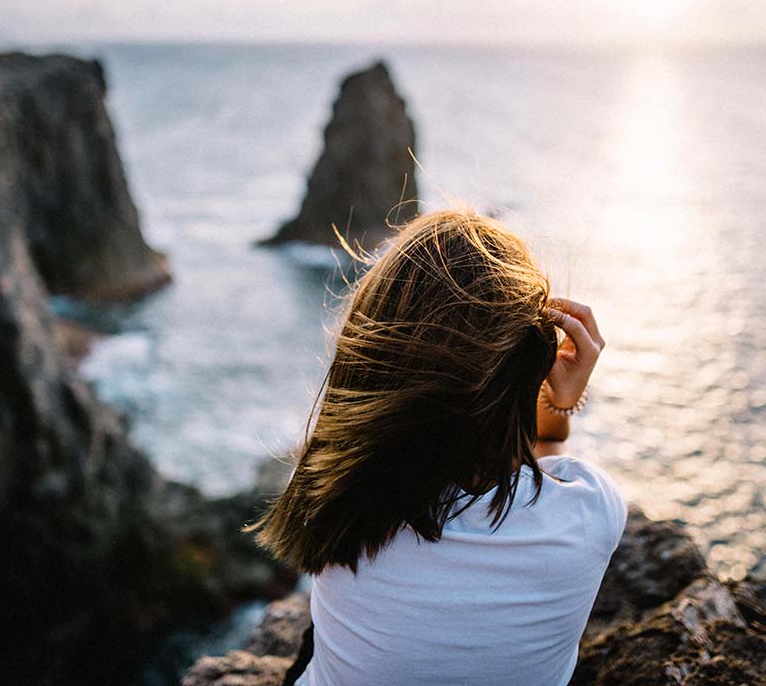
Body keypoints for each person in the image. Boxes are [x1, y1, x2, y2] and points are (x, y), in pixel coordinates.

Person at [252, 208, 626, 685]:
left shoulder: (331, 495)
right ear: (529, 368)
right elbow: (546, 450)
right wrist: (561, 401)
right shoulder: (590, 513)